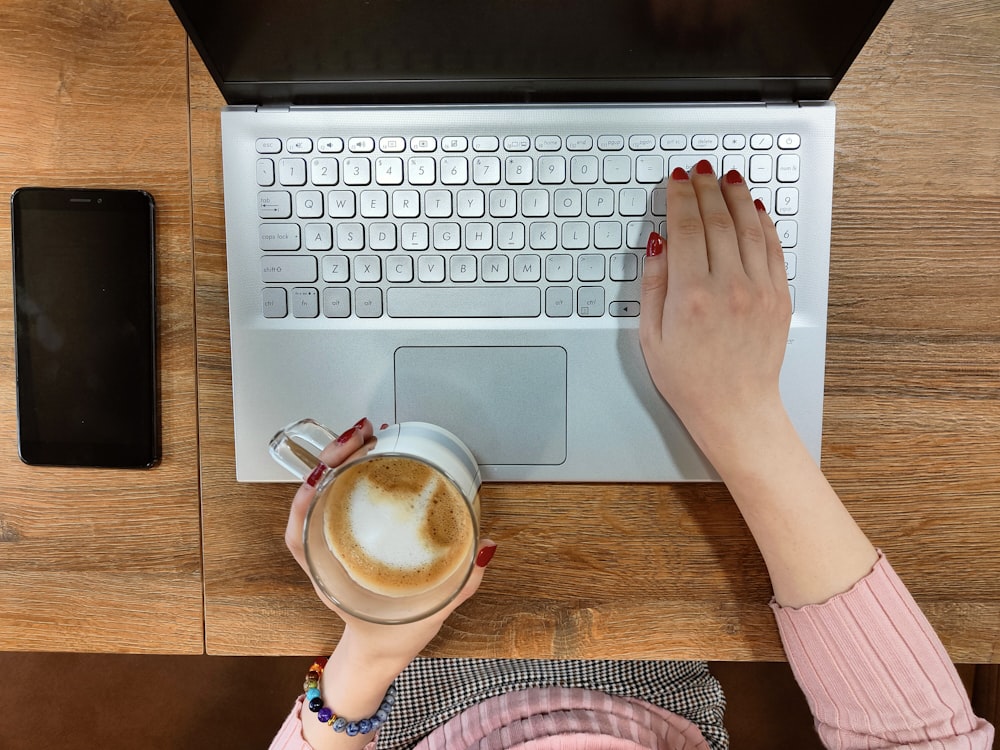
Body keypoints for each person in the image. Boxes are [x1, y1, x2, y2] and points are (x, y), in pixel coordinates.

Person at [270, 161, 995, 750]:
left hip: (415, 695)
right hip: (660, 690)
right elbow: (924, 740)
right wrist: (741, 415)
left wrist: (367, 651)